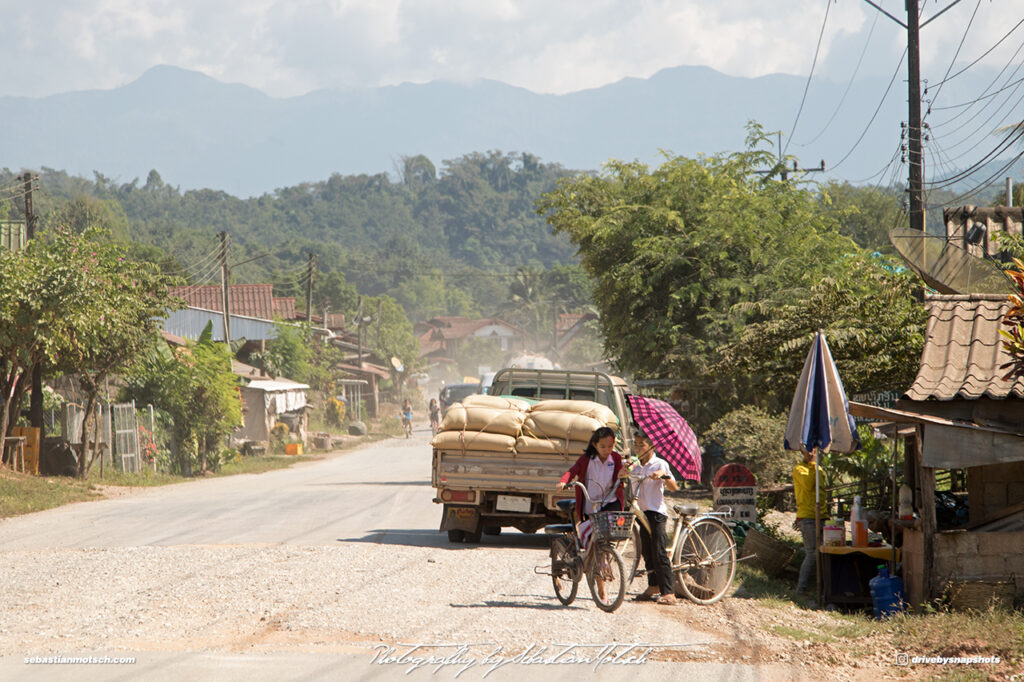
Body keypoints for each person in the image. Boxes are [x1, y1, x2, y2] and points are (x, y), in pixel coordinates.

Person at [631, 430, 679, 606]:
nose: (637, 448)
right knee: (646, 550)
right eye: (635, 444)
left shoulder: (660, 463)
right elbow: (625, 478)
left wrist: (663, 476)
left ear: (652, 446)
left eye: (641, 444)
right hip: (641, 512)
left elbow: (673, 487)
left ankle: (669, 592)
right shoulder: (634, 464)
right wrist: (623, 471)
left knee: (659, 551)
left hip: (656, 512)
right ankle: (653, 586)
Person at [556, 427, 624, 523]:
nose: (607, 450)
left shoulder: (616, 458)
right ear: (595, 445)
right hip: (591, 504)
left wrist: (623, 473)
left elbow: (620, 473)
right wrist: (563, 481)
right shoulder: (586, 459)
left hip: (610, 501)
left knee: (612, 530)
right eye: (603, 447)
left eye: (610, 446)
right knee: (591, 532)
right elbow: (573, 471)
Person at [792, 449, 827, 595]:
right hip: (807, 517)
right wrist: (812, 464)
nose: (812, 453)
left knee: (824, 552)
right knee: (811, 552)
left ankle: (824, 588)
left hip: (821, 516)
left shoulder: (819, 469)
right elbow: (808, 485)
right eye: (809, 451)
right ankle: (801, 589)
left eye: (813, 451)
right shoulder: (799, 469)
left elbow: (822, 491)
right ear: (803, 453)